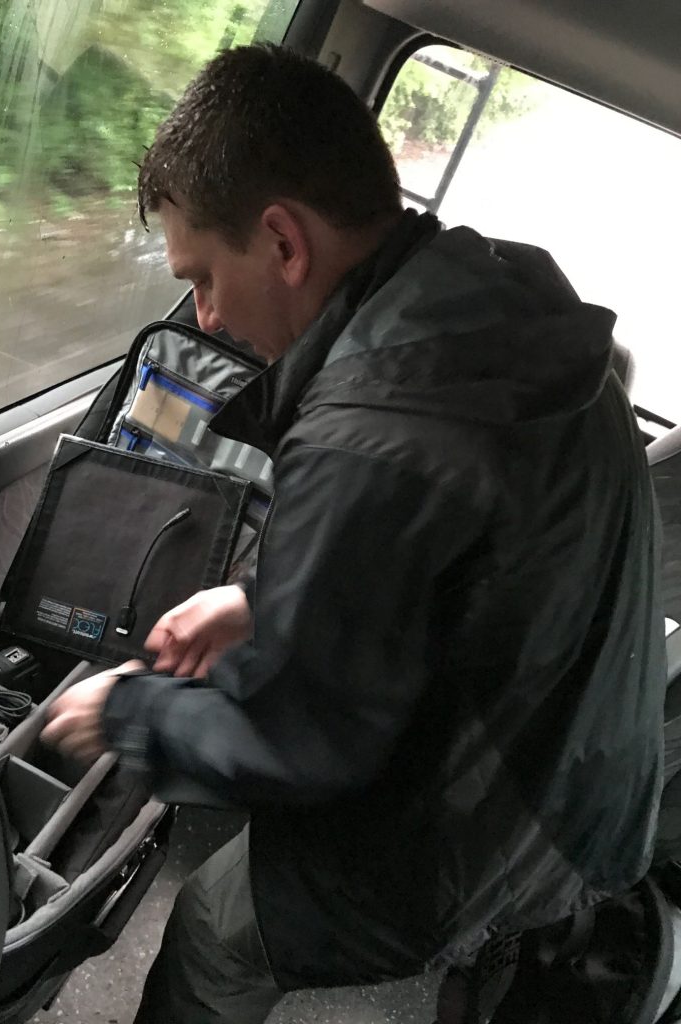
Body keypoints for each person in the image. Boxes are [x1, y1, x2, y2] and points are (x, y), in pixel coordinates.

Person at [40, 43, 666, 1024]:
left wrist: (130, 713)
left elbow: (300, 741)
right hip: (597, 763)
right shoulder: (492, 312)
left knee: (212, 925)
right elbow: (464, 561)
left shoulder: (374, 430)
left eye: (204, 276)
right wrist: (261, 600)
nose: (203, 313)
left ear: (284, 243)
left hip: (507, 809)